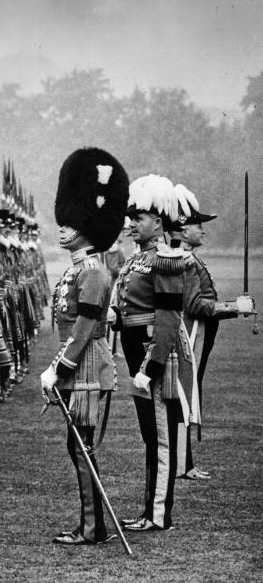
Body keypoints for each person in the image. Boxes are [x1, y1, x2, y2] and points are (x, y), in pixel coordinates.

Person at [40, 147, 129, 545]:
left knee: (81, 446)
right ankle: (90, 525)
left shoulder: (91, 270)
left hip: (86, 366)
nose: (63, 228)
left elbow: (85, 326)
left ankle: (93, 528)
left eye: (71, 223)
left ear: (86, 225)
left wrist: (59, 367)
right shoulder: (78, 267)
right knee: (78, 445)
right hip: (79, 364)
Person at [111, 174, 198, 532]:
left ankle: (159, 513)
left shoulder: (164, 259)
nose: (132, 223)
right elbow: (131, 306)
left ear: (158, 222)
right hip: (135, 350)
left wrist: (154, 363)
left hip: (152, 353)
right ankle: (150, 508)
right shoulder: (137, 260)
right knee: (150, 433)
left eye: (140, 218)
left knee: (160, 436)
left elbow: (167, 317)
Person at [168, 185, 255, 480]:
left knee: (187, 395)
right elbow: (196, 305)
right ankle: (182, 464)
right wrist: (234, 306)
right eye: (198, 225)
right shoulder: (186, 260)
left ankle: (185, 463)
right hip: (190, 334)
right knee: (184, 396)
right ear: (181, 229)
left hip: (195, 333)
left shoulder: (186, 258)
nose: (203, 231)